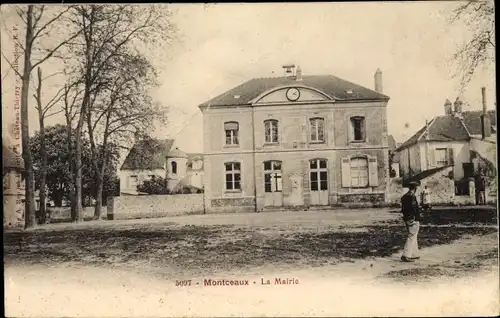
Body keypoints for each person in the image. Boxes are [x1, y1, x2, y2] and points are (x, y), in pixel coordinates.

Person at [400, 181, 421, 262]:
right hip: (412, 218)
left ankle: (414, 254)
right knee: (412, 236)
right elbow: (414, 209)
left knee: (413, 235)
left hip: (406, 218)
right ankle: (405, 255)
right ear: (415, 188)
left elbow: (403, 209)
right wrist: (417, 218)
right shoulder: (412, 197)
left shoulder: (404, 197)